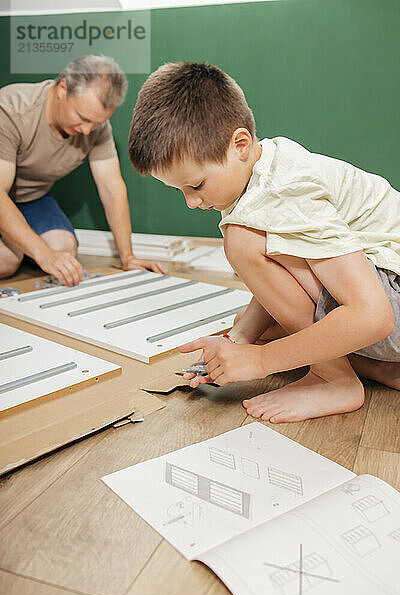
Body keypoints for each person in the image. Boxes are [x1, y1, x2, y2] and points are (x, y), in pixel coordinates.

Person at [128, 61, 400, 423]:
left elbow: (373, 316)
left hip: (389, 305)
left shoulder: (283, 191)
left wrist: (259, 362)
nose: (192, 202)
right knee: (259, 328)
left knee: (242, 243)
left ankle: (334, 380)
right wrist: (238, 340)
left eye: (195, 185)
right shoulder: (269, 167)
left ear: (239, 144)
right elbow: (294, 259)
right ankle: (376, 367)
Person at [0, 54, 165, 286]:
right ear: (62, 88)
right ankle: (19, 251)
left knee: (63, 249)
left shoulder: (96, 128)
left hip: (30, 200)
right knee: (6, 261)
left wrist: (128, 257)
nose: (88, 131)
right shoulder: (11, 111)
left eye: (96, 123)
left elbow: (111, 188)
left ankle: (22, 248)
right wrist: (43, 254)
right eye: (82, 118)